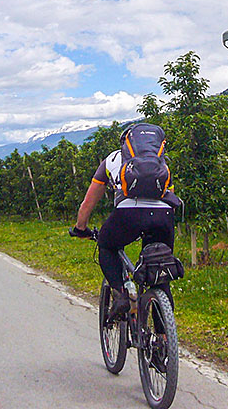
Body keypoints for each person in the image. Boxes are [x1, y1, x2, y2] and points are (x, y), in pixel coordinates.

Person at [70, 124, 181, 320]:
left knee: (106, 244)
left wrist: (81, 228)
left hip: (128, 213)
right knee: (160, 274)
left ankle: (120, 294)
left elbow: (88, 202)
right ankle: (164, 340)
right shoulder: (161, 163)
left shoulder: (111, 160)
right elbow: (170, 197)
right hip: (163, 215)